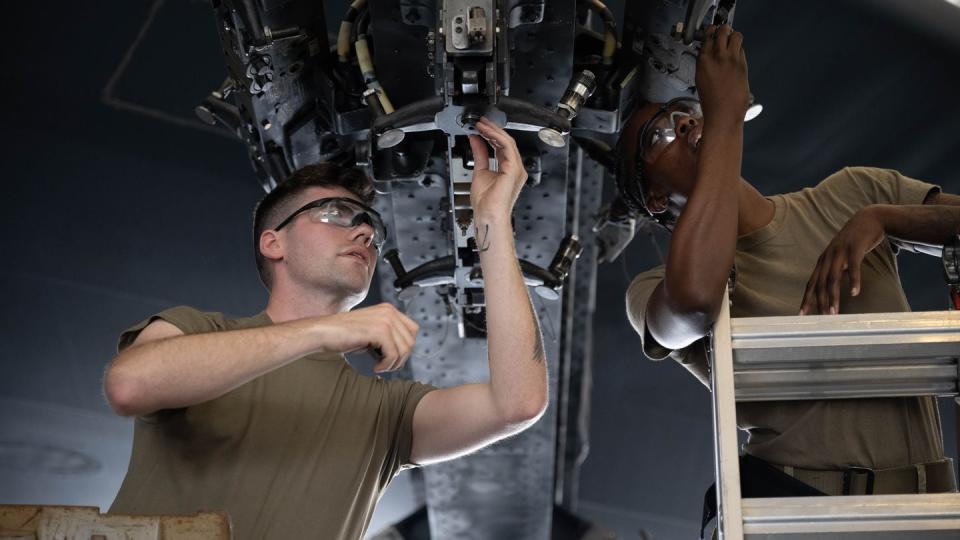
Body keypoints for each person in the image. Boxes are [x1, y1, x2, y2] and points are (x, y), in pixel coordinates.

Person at [103, 118, 548, 539]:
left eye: (369, 226)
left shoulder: (386, 414)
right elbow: (130, 384)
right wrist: (320, 331)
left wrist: (492, 221)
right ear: (273, 243)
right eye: (334, 214)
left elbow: (518, 404)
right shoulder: (197, 330)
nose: (362, 233)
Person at [618, 23, 960, 519]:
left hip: (930, 510)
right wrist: (725, 119)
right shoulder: (652, 289)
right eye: (660, 135)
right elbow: (692, 305)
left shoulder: (853, 193)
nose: (685, 125)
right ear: (653, 198)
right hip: (803, 516)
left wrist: (883, 218)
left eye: (684, 114)